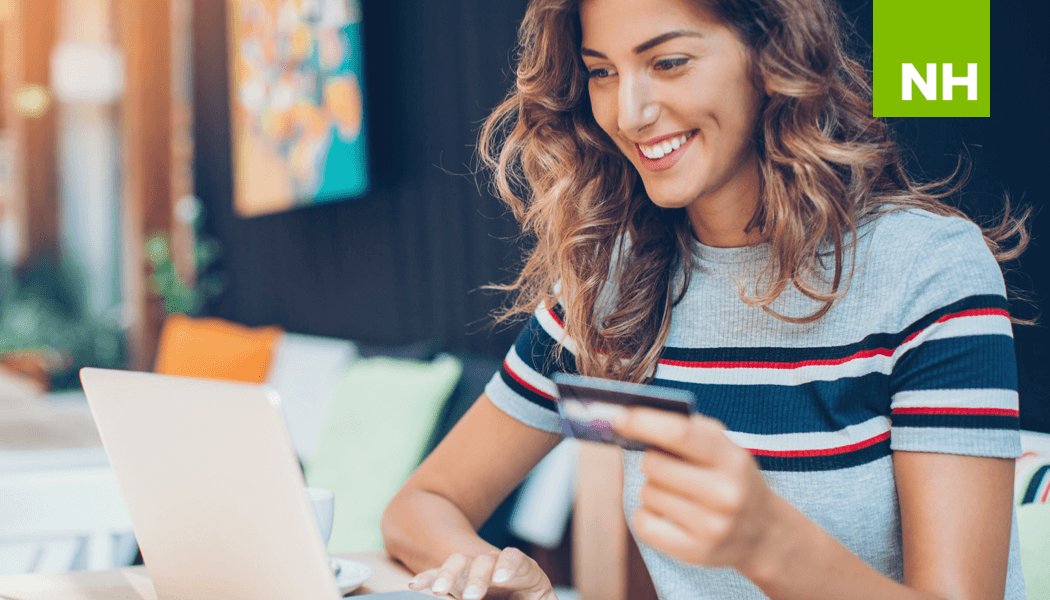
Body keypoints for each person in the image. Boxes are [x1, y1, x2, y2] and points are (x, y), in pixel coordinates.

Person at [380, 0, 1030, 598]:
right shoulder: (613, 298)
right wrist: (494, 570)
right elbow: (424, 504)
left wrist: (769, 542)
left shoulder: (926, 272)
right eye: (601, 72)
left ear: (772, 56)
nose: (629, 113)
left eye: (668, 62)